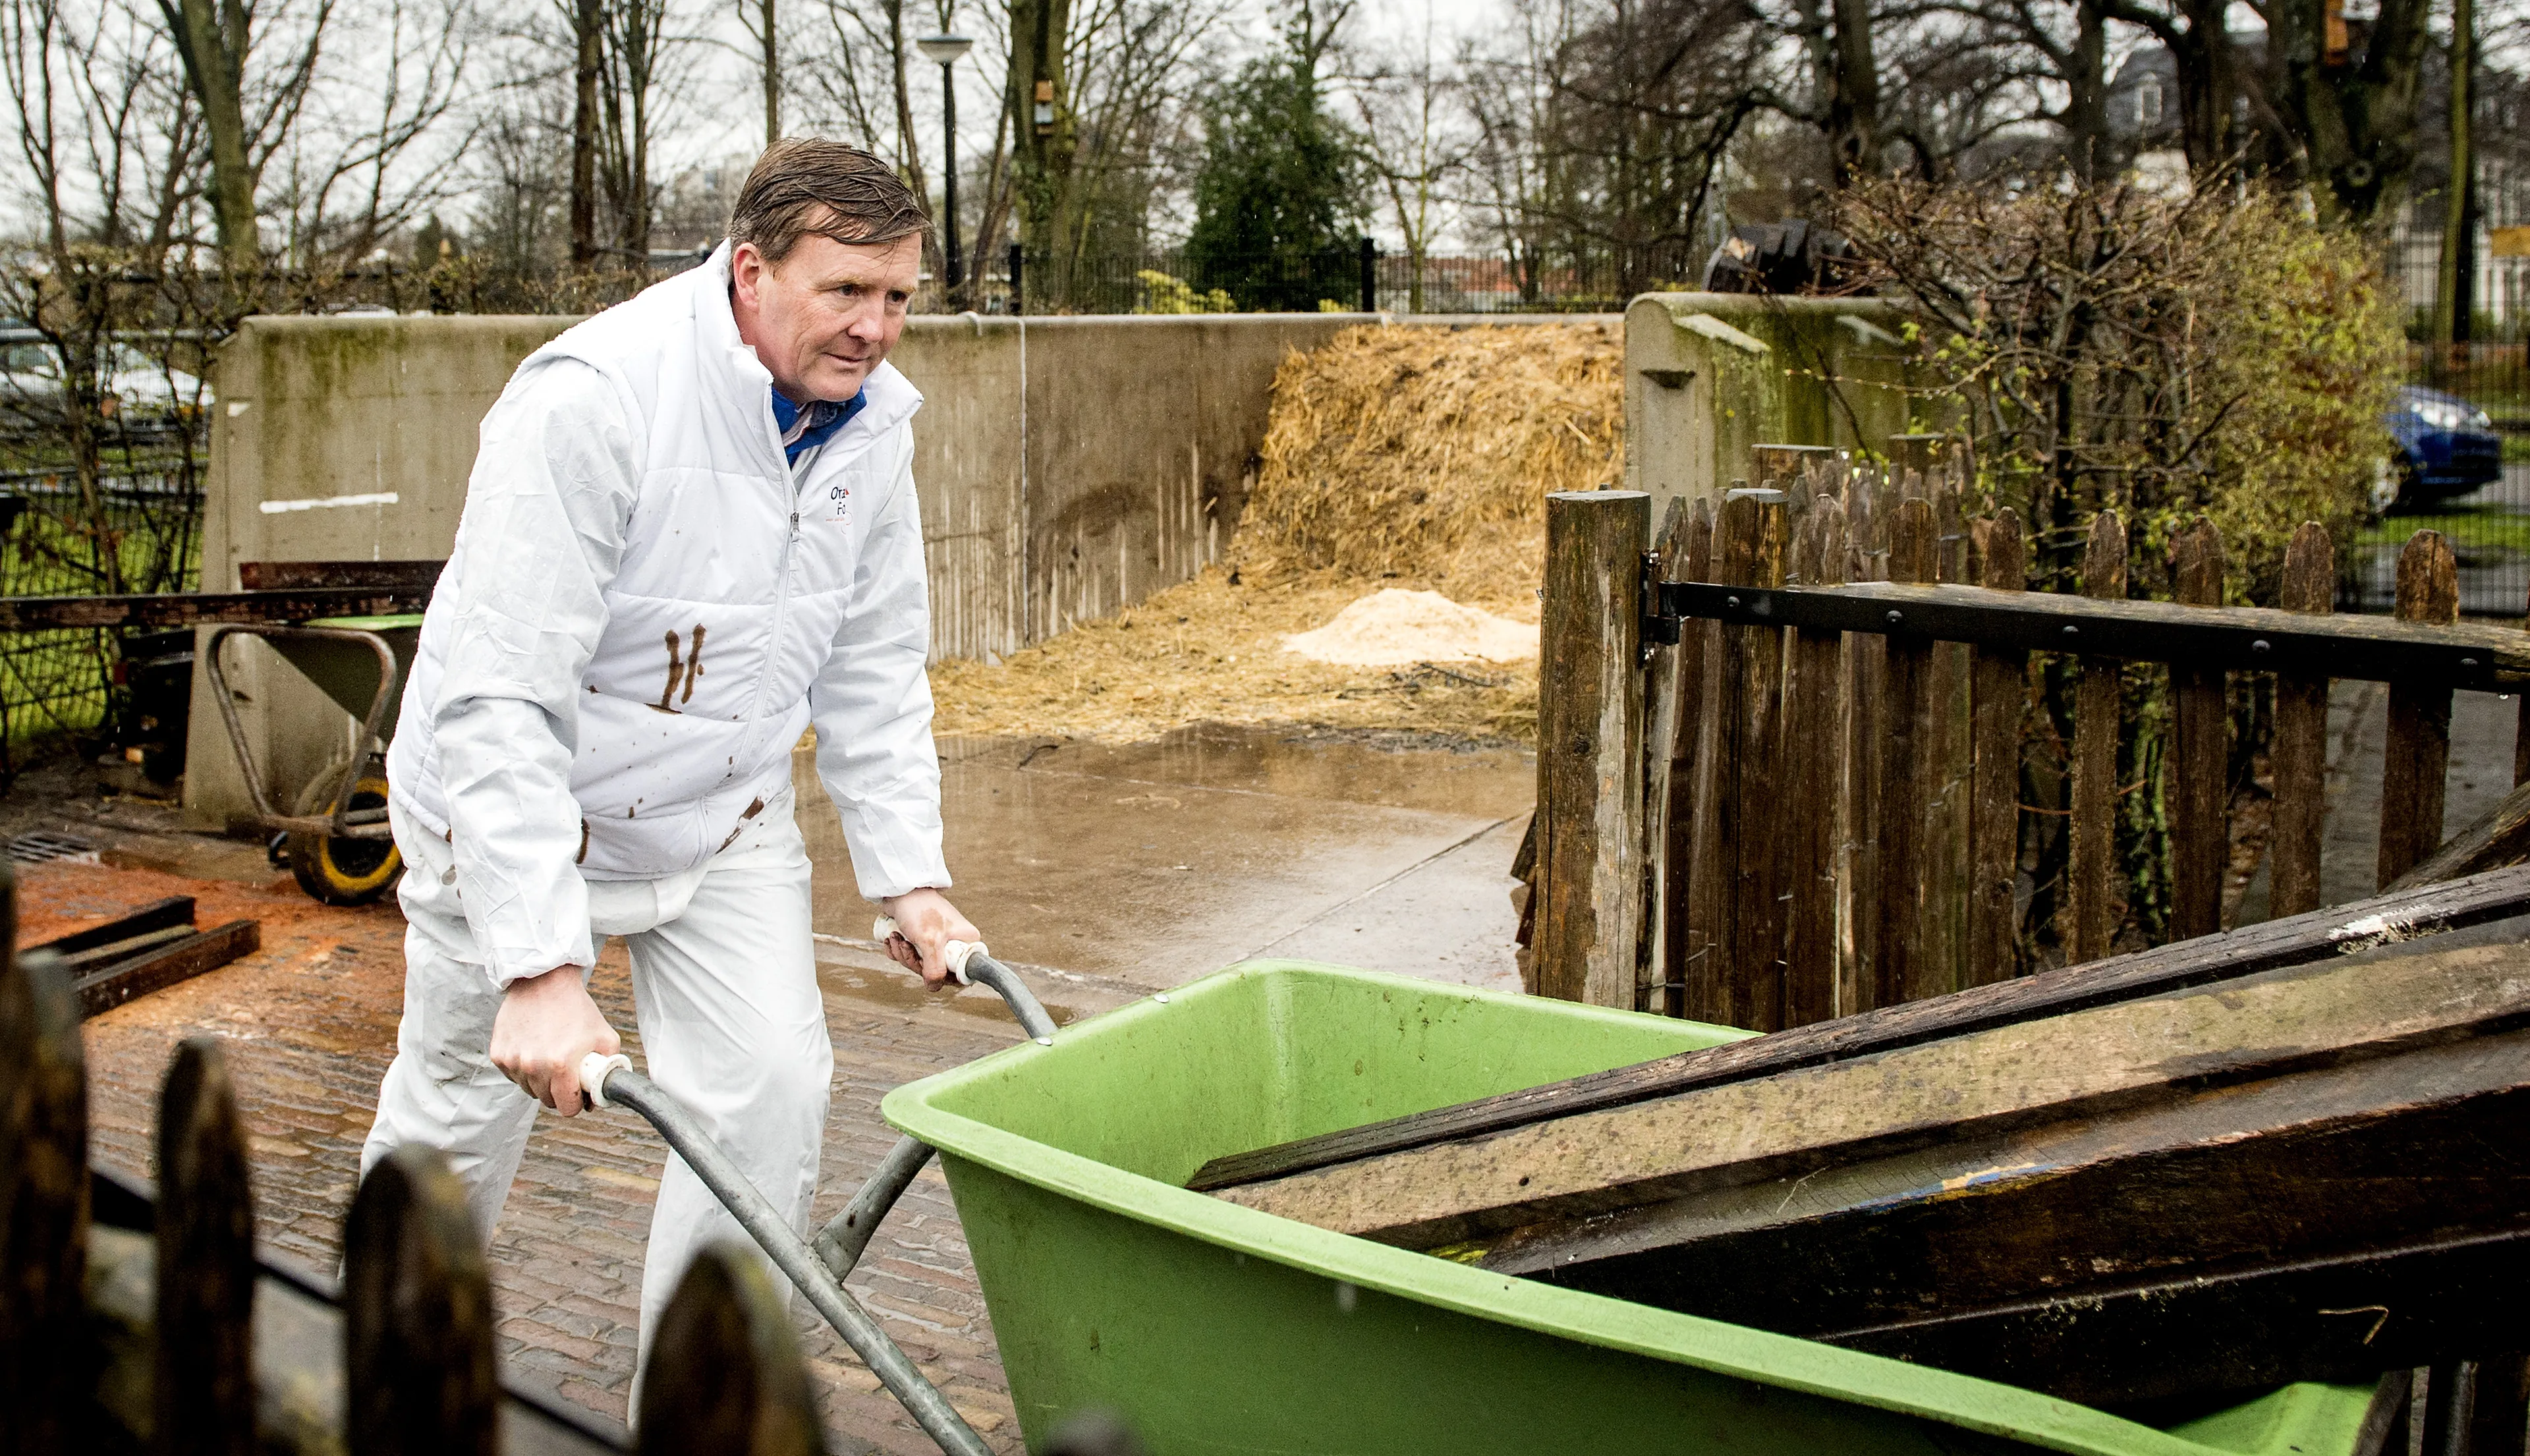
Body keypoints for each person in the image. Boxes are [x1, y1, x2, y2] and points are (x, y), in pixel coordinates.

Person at [360, 138, 978, 1375]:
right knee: (457, 1122)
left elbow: (872, 657)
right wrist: (540, 962)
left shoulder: (874, 428)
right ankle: (372, 1380)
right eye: (844, 291)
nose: (876, 328)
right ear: (751, 271)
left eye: (900, 295)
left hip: (719, 810)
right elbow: (497, 694)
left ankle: (703, 1408)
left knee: (770, 1097)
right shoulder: (595, 398)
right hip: (533, 815)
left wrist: (907, 871)